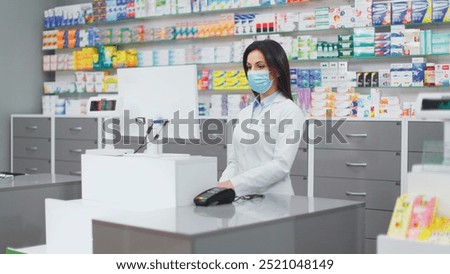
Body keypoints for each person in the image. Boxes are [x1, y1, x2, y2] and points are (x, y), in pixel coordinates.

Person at [217, 39, 304, 196]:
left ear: (277, 70)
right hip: (241, 199)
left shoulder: (290, 111)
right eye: (249, 67)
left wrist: (235, 184)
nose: (253, 72)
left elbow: (281, 165)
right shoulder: (244, 113)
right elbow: (234, 162)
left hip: (274, 200)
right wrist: (220, 187)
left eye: (260, 66)